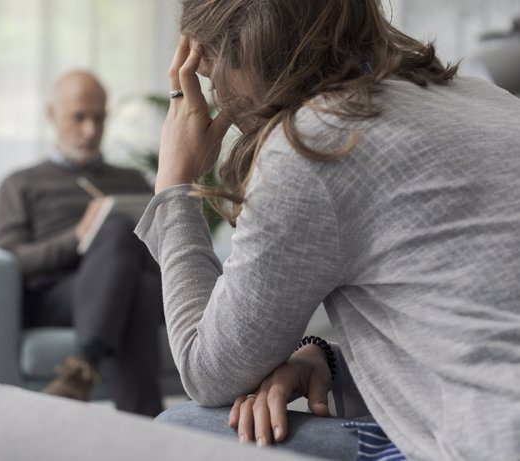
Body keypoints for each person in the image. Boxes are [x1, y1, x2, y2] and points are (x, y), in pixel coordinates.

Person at [133, 0, 520, 459]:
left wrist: (175, 188)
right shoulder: (490, 100)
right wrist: (329, 361)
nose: (213, 89)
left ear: (247, 51)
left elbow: (207, 371)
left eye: (209, 68)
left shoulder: (315, 143)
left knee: (180, 430)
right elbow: (479, 327)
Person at [0, 70, 163, 417]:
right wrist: (79, 237)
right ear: (52, 113)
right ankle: (149, 429)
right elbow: (13, 259)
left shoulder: (132, 180)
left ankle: (83, 365)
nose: (91, 130)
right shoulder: (20, 184)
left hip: (129, 282)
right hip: (57, 293)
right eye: (79, 117)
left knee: (140, 284)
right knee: (117, 236)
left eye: (99, 118)